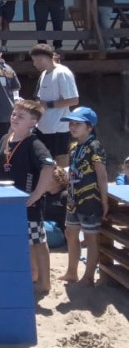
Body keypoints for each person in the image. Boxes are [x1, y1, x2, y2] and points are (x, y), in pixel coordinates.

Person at [0, 100, 55, 295]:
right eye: (13, 114)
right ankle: (32, 276)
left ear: (33, 122)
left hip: (28, 203)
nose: (14, 118)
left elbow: (49, 166)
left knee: (37, 242)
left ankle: (44, 283)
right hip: (6, 203)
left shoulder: (34, 143)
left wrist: (37, 194)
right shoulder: (5, 138)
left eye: (21, 116)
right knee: (19, 241)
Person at [57, 107, 108, 285]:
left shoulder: (95, 146)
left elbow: (102, 175)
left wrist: (105, 200)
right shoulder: (74, 147)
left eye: (77, 124)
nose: (72, 127)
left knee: (91, 237)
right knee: (71, 234)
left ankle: (88, 277)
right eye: (71, 123)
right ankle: (71, 272)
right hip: (73, 199)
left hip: (90, 200)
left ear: (90, 127)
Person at [30, 43, 79, 167]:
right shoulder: (44, 74)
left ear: (42, 58)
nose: (34, 64)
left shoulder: (62, 73)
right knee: (42, 158)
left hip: (58, 126)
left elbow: (73, 100)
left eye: (35, 60)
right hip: (42, 126)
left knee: (61, 157)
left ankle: (63, 184)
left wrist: (49, 105)